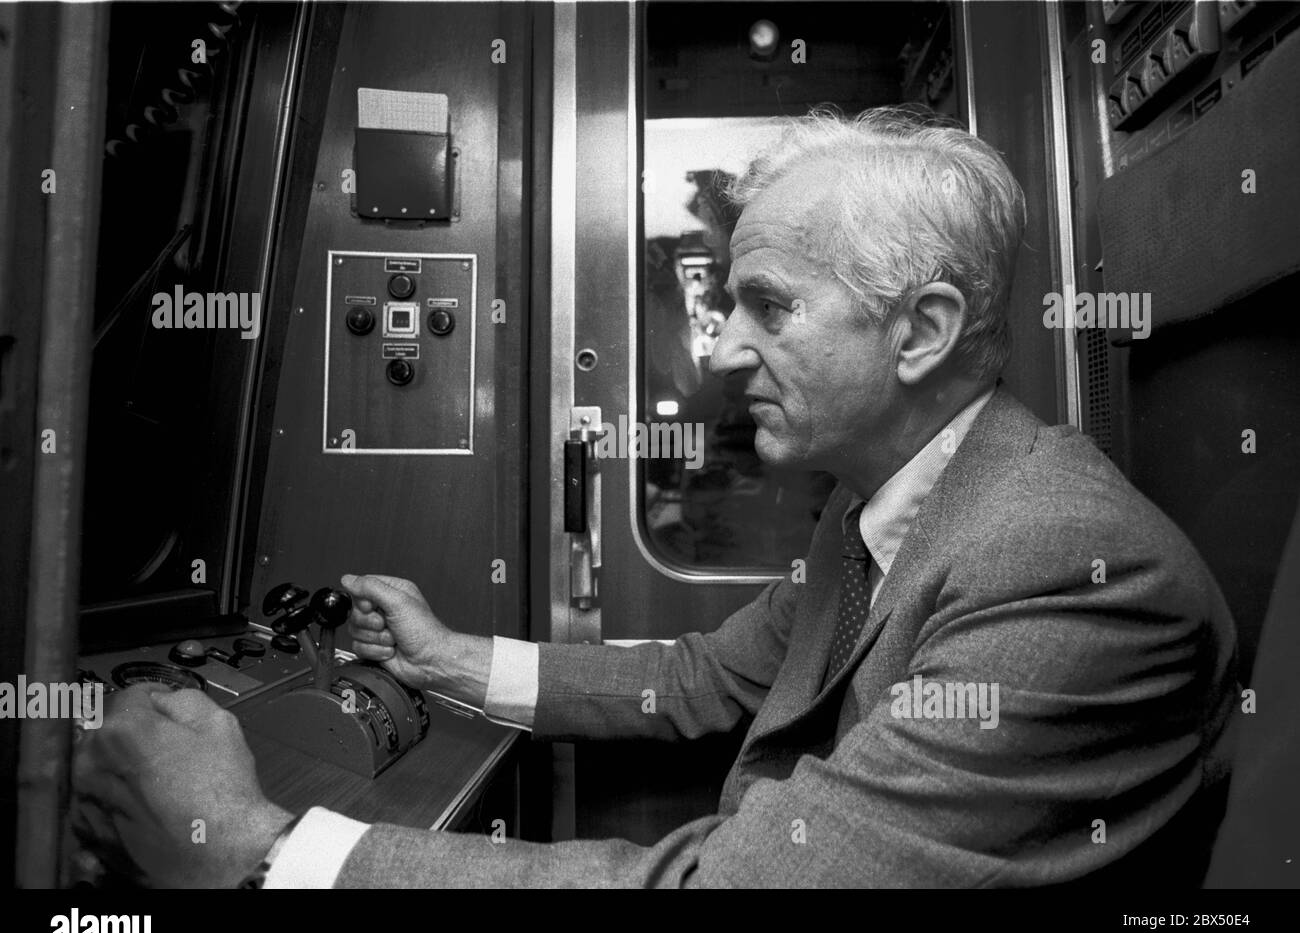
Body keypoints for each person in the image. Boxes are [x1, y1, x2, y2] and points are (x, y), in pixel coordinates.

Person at [72, 107, 1238, 888]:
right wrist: (447, 661)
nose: (724, 352)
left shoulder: (1068, 573)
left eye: (768, 307)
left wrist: (264, 849)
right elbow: (700, 680)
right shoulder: (881, 505)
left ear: (921, 331)